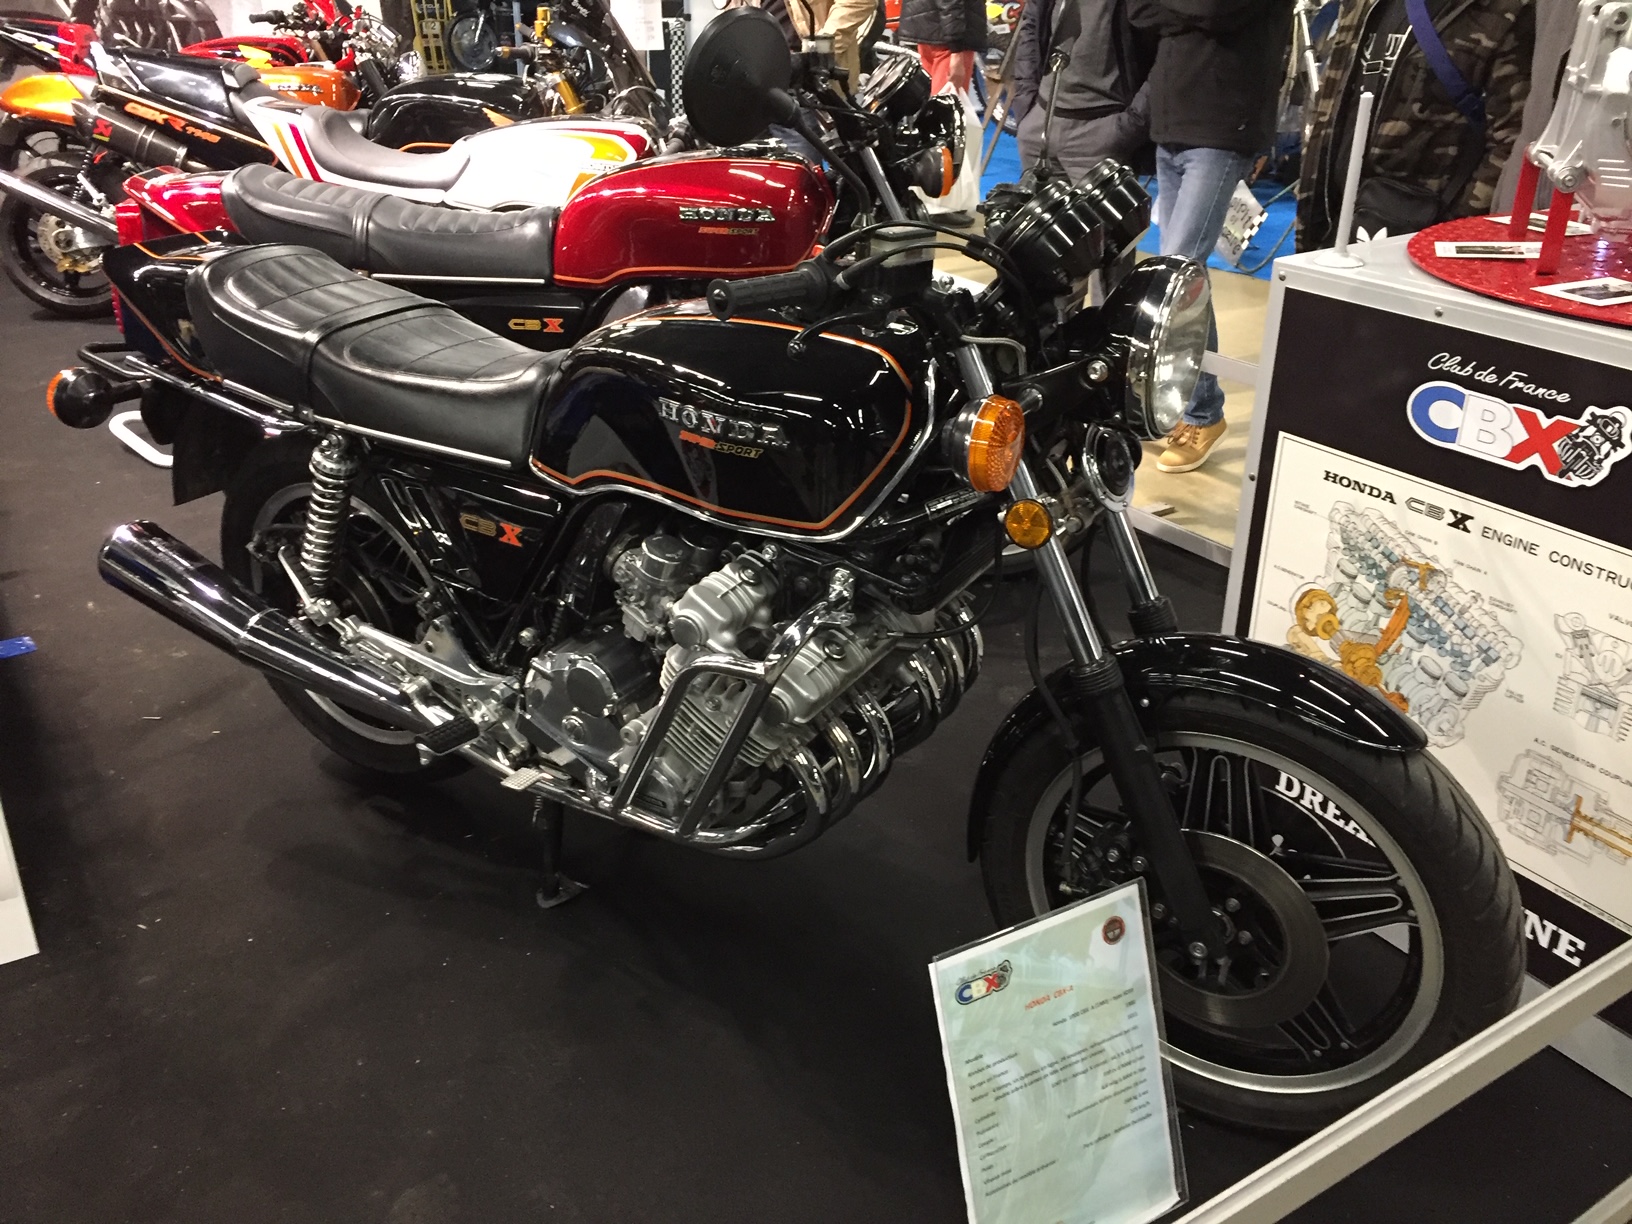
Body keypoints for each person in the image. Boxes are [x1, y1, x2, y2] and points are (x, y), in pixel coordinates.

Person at [1127, 0, 1291, 474]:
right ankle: (1192, 407)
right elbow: (1139, 12)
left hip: (1222, 128)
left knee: (1176, 275)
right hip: (1172, 124)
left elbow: (1217, 10)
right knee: (1182, 278)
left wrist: (1176, 15)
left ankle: (1202, 412)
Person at [1297, 0, 1533, 249]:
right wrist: (1310, 219)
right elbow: (1331, 102)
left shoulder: (1506, 10)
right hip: (1331, 216)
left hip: (1423, 231)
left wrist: (1452, 235)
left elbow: (1512, 142)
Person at [1011, 0, 1155, 180]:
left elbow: (1169, 49)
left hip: (1102, 133)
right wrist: (1026, 101)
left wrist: (1133, 123)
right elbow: (1031, 25)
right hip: (1040, 124)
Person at [898, 0, 988, 94]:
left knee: (936, 98)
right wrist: (956, 48)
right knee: (948, 99)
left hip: (928, 30)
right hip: (950, 40)